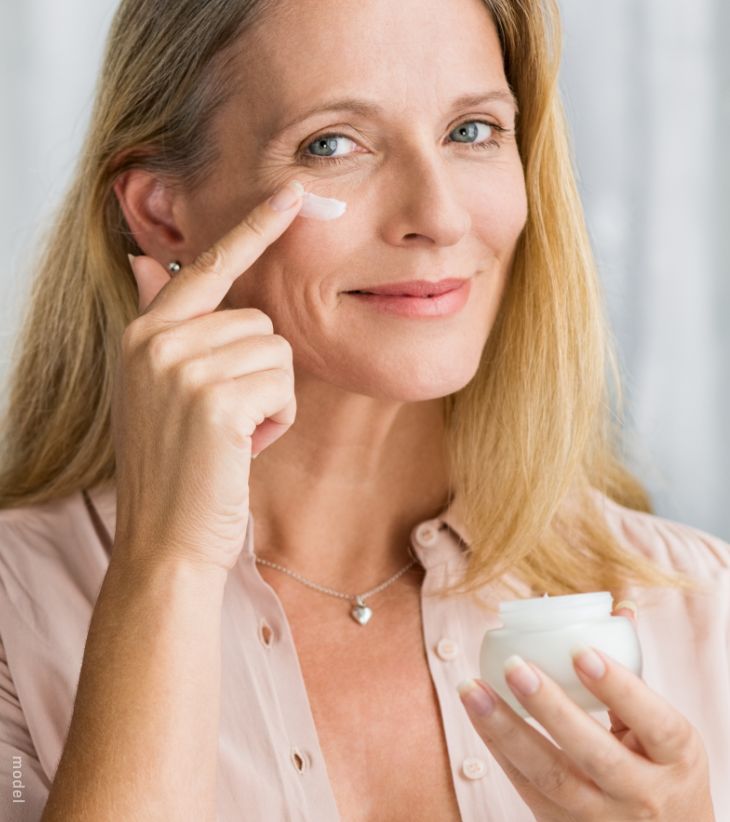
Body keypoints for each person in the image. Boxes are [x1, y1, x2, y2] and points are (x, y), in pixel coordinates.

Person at [0, 0, 727, 819]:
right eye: (332, 145)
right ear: (162, 210)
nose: (441, 217)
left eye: (473, 131)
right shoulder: (16, 619)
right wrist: (168, 567)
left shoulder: (697, 608)